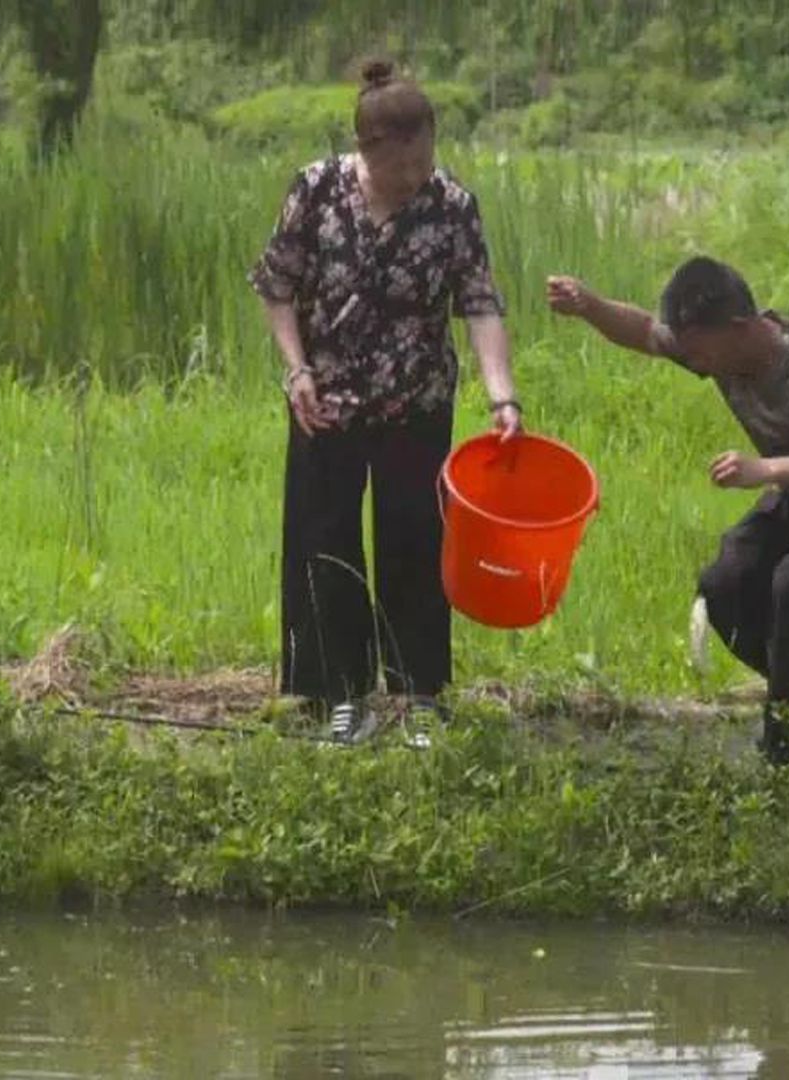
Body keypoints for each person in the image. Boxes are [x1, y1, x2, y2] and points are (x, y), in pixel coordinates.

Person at [547, 257, 789, 762]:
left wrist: (765, 471)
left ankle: (788, 750)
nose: (694, 363)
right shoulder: (713, 348)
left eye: (699, 351)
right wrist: (589, 306)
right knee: (726, 583)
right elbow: (643, 330)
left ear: (739, 329)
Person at [249, 59, 522, 744]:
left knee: (417, 541)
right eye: (405, 166)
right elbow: (275, 287)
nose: (418, 176)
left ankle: (419, 694)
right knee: (327, 544)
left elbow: (480, 304)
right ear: (370, 153)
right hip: (327, 403)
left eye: (428, 157)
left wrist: (502, 397)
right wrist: (296, 369)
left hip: (416, 402)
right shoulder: (315, 191)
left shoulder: (452, 205)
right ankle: (340, 693)